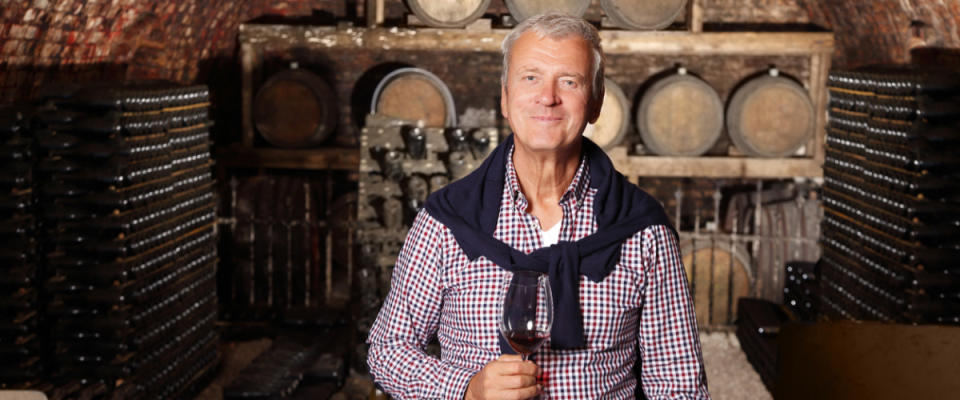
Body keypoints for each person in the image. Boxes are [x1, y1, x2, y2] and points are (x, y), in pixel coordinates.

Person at [367, 12, 710, 400]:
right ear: (505, 97)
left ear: (595, 103)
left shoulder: (643, 230)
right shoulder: (447, 220)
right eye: (530, 77)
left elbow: (679, 387)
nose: (547, 97)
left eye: (569, 81)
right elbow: (388, 350)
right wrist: (467, 389)